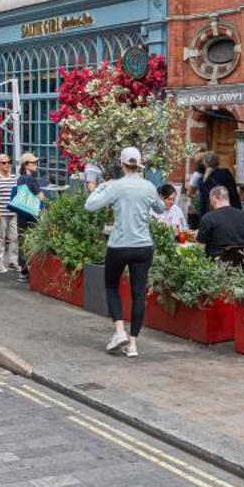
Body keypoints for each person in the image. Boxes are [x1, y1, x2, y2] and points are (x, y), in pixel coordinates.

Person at [84, 146, 165, 358]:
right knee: (138, 293)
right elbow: (161, 209)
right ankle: (134, 344)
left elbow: (90, 205)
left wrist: (104, 187)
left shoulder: (116, 186)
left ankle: (119, 332)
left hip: (119, 245)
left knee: (111, 286)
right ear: (139, 165)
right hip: (143, 246)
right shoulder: (148, 186)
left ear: (121, 165)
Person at [10, 153, 46, 280]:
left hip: (22, 213)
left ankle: (23, 271)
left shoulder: (20, 178)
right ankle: (31, 271)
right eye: (33, 163)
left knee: (23, 240)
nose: (36, 165)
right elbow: (40, 197)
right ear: (26, 164)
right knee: (32, 240)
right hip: (32, 214)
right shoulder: (31, 179)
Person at [196, 187, 244, 265]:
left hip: (215, 267)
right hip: (242, 265)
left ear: (214, 199)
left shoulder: (208, 218)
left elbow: (199, 249)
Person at [0, 154, 21, 275]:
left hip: (13, 212)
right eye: (3, 163)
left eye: (8, 162)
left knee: (14, 237)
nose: (7, 164)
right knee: (0, 238)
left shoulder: (14, 177)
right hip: (1, 212)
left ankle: (13, 261)